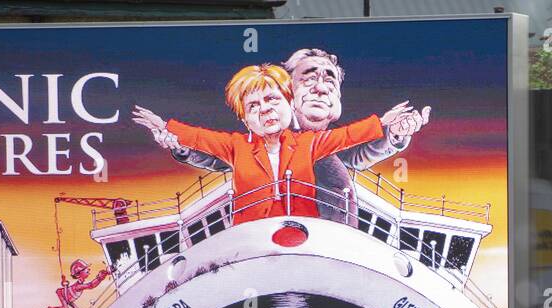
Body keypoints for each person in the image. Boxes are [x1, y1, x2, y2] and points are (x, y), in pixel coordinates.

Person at [159, 48, 431, 224]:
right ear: (287, 93)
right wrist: (181, 147)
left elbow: (359, 153)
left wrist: (393, 136)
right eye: (309, 79)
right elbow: (216, 157)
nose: (321, 88)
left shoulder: (328, 144)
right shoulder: (263, 138)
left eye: (330, 81)